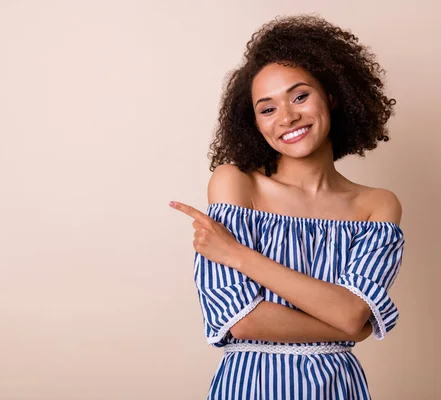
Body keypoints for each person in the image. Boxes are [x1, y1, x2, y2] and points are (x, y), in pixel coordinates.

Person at [169, 14, 405, 400]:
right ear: (255, 123)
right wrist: (349, 327)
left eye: (299, 96)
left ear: (330, 94)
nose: (288, 116)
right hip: (250, 386)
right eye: (267, 109)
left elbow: (351, 314)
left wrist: (238, 256)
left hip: (338, 388)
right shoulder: (236, 183)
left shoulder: (376, 206)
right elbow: (241, 320)